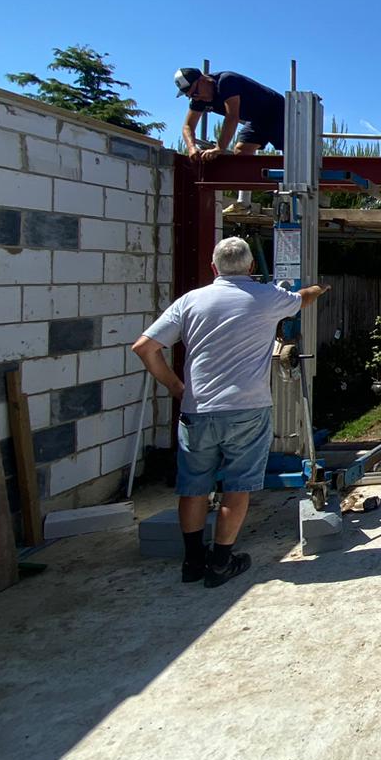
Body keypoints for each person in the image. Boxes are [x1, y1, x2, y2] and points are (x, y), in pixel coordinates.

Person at [132, 236, 329, 587]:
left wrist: (177, 388)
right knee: (237, 487)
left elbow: (145, 347)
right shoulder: (268, 297)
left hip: (198, 410)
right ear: (252, 267)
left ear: (213, 267)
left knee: (193, 487)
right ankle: (222, 562)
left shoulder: (191, 301)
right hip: (247, 410)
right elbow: (303, 299)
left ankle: (193, 562)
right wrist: (318, 287)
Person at [174, 66, 288, 215]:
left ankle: (290, 194)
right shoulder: (199, 98)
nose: (196, 98)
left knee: (290, 154)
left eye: (195, 93)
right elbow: (188, 126)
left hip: (278, 112)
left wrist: (219, 148)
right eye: (190, 96)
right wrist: (191, 148)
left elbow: (232, 116)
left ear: (203, 80)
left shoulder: (226, 81)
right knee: (242, 152)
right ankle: (243, 203)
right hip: (257, 119)